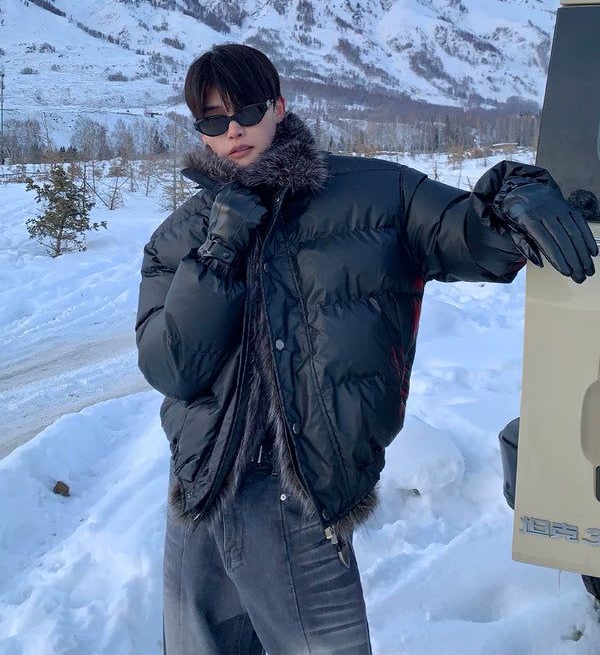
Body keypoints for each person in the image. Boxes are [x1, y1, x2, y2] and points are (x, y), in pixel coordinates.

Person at [135, 43, 597, 655]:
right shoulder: (179, 238)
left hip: (303, 494)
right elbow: (172, 367)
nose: (233, 131)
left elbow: (469, 232)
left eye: (244, 110)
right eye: (213, 121)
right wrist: (220, 251)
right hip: (200, 492)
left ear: (278, 106)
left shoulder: (379, 193)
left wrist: (516, 194)